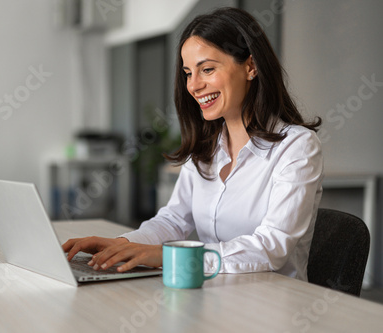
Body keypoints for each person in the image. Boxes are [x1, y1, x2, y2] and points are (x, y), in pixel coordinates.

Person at [63, 7, 323, 281]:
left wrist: (169, 256)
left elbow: (272, 247)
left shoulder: (297, 147)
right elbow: (173, 220)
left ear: (250, 66)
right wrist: (122, 245)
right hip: (215, 292)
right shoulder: (206, 147)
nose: (193, 85)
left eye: (207, 69)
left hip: (272, 306)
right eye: (188, 73)